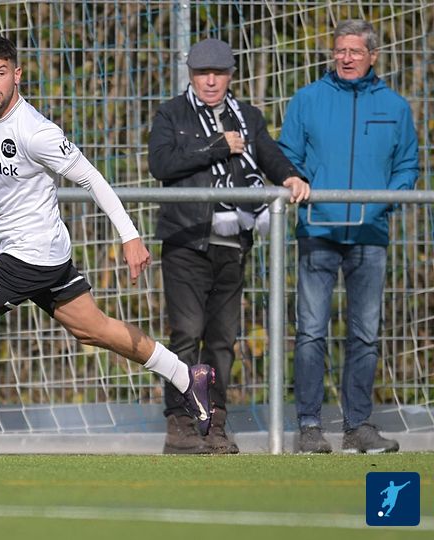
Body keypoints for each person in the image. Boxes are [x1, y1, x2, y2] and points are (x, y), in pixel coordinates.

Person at [0, 34, 215, 452]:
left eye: (1, 73)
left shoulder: (37, 132)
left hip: (32, 255)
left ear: (17, 75)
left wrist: (130, 236)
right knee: (93, 329)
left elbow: (92, 178)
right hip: (40, 253)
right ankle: (187, 375)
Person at [148, 38, 310, 454]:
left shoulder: (248, 117)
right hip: (186, 240)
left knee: (221, 341)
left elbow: (269, 155)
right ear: (191, 75)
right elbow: (161, 164)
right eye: (203, 73)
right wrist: (217, 146)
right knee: (186, 335)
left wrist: (290, 176)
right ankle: (181, 423)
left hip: (233, 243)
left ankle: (214, 424)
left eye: (218, 73)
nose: (211, 81)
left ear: (230, 75)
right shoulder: (171, 113)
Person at [278, 19, 418, 454]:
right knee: (310, 332)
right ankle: (309, 427)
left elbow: (407, 167)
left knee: (365, 334)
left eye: (355, 51)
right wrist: (295, 180)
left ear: (373, 56)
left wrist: (383, 203)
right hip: (317, 230)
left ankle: (358, 426)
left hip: (370, 235)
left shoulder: (395, 107)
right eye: (340, 50)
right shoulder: (307, 99)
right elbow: (287, 157)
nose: (346, 58)